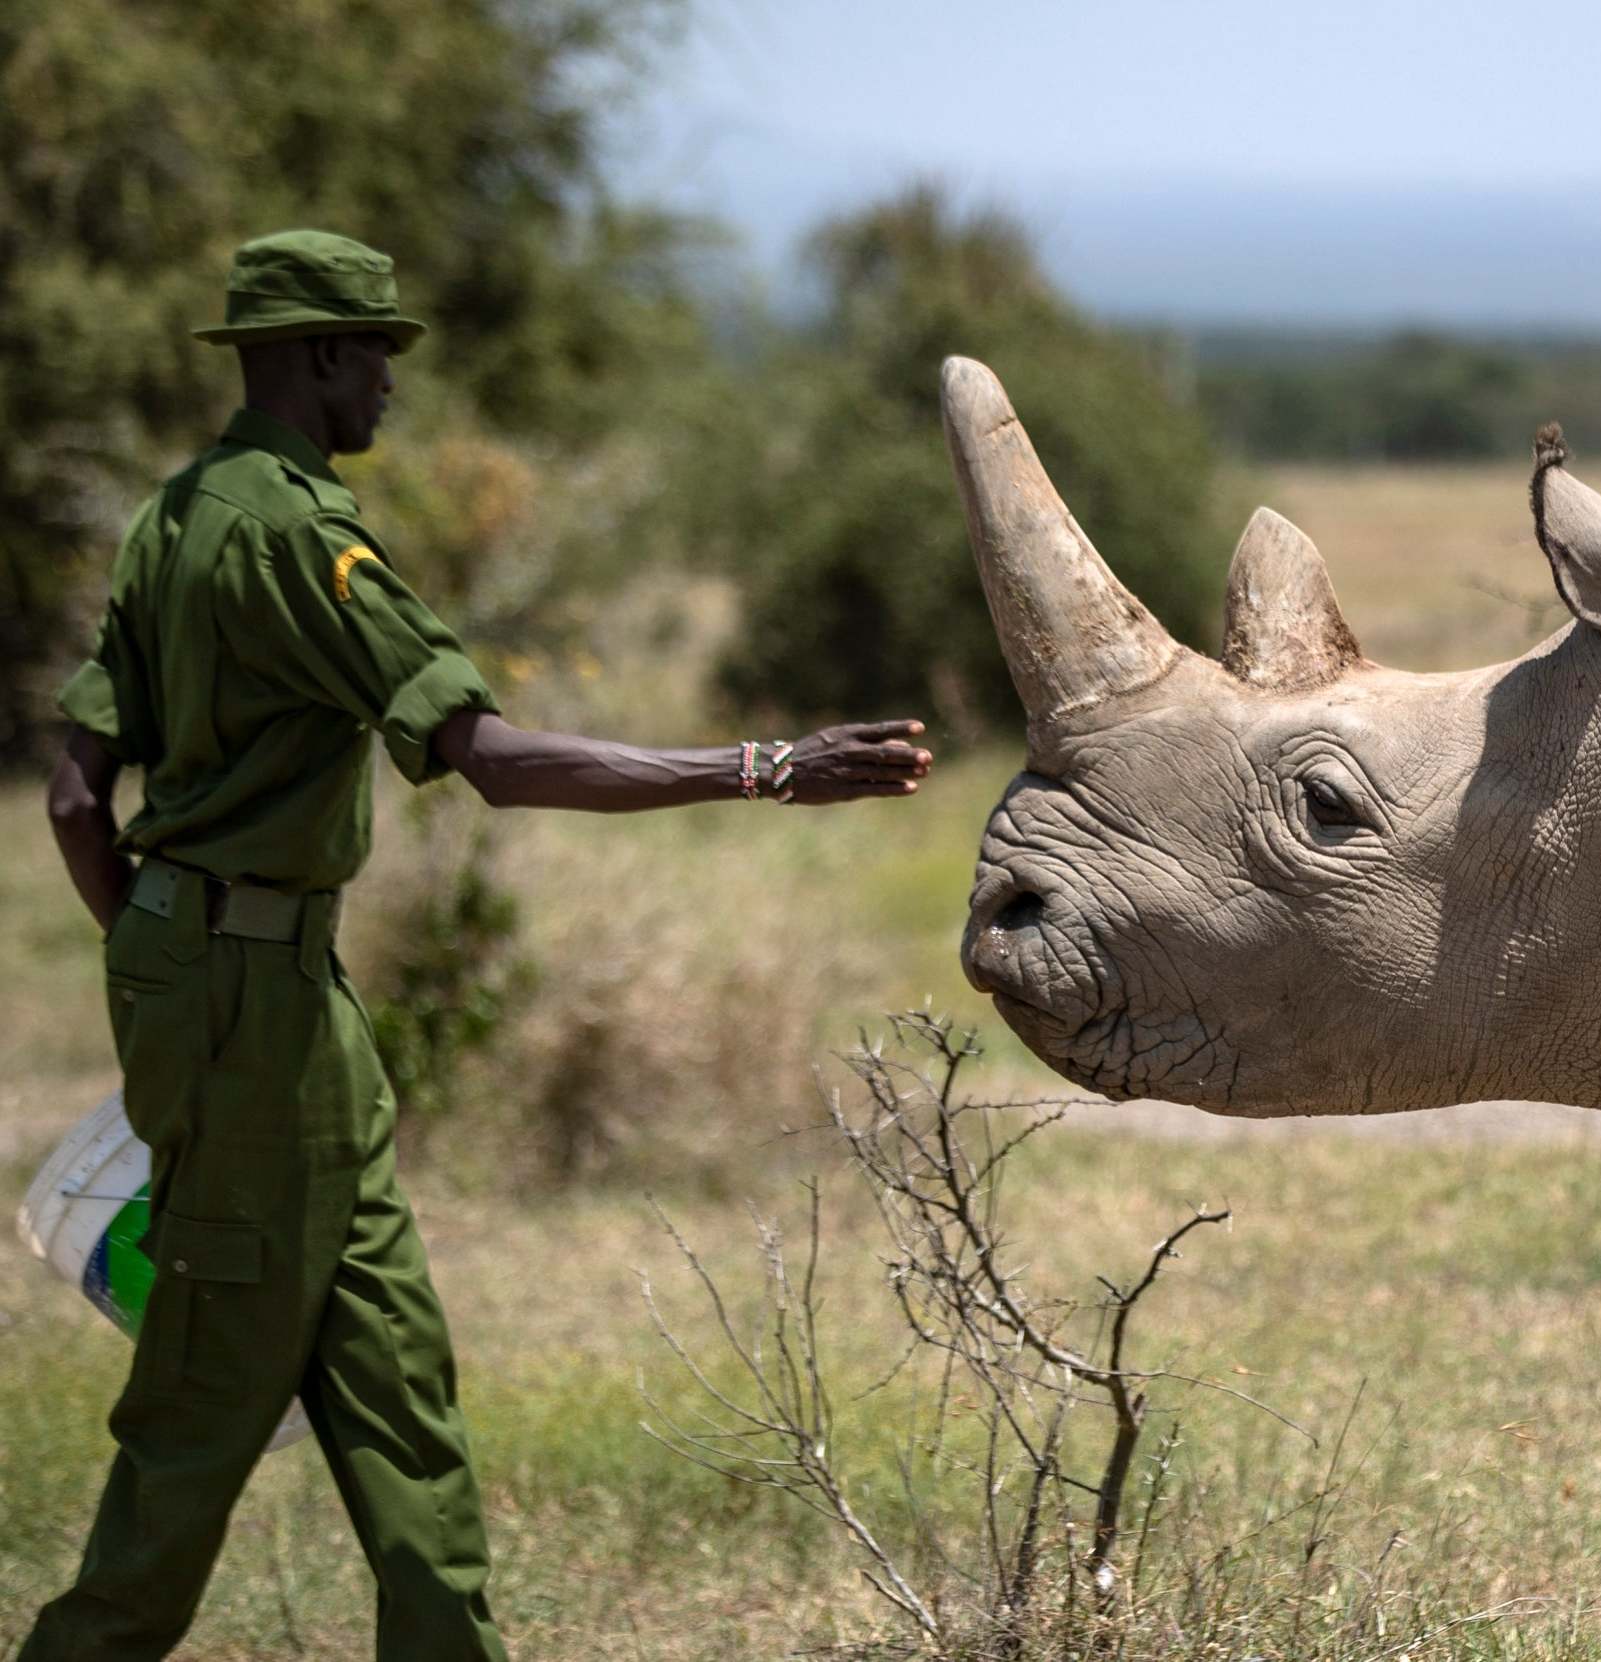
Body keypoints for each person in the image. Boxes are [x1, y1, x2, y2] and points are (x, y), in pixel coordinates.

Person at [26, 229, 934, 1661]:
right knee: (202, 1409)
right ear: (320, 355)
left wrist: (161, 953)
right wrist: (761, 765)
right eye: (376, 351)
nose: (390, 381)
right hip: (253, 1006)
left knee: (397, 1387)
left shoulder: (170, 516)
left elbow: (78, 788)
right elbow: (488, 754)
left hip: (262, 994)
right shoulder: (300, 537)